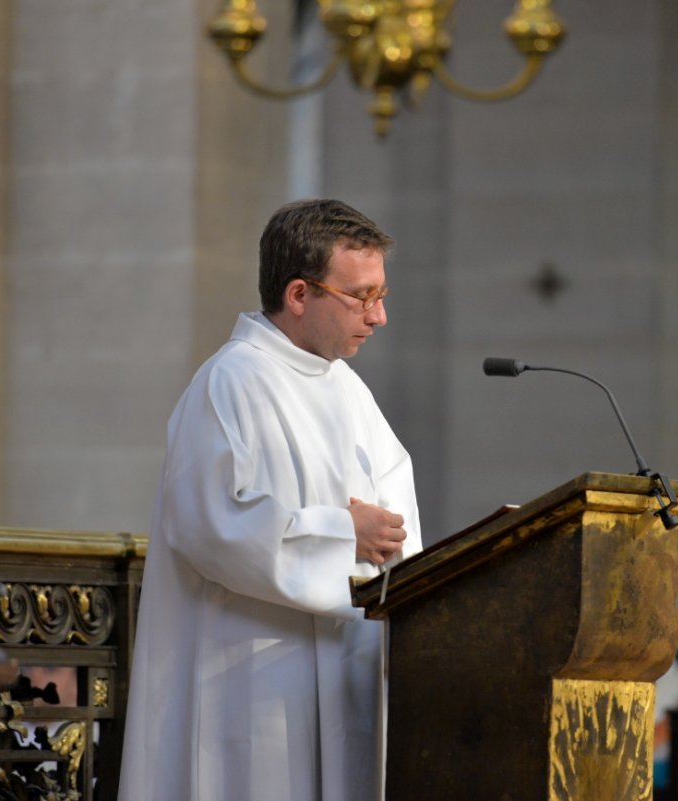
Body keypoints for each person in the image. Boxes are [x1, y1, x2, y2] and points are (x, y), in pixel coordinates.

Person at [117, 199, 422, 801]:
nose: (379, 315)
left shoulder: (351, 393)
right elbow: (212, 527)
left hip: (345, 674)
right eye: (361, 297)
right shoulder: (230, 381)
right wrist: (343, 535)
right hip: (251, 683)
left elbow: (399, 525)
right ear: (300, 294)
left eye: (382, 294)